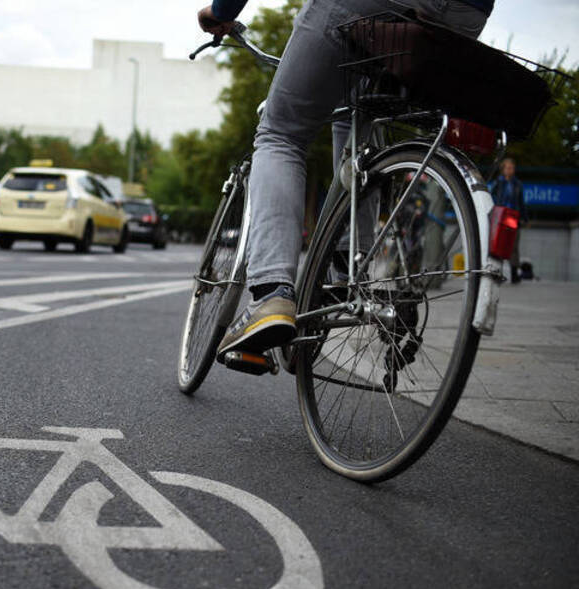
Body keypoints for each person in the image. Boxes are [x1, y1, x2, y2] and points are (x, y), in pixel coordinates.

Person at [197, 0, 493, 358]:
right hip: (465, 13)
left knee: (282, 133)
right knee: (357, 112)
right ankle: (345, 265)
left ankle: (272, 295)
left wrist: (222, 11)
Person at [489, 157, 527, 283]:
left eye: (512, 168)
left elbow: (521, 202)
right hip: (501, 217)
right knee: (498, 245)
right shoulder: (498, 183)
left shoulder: (518, 184)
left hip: (513, 216)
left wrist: (524, 217)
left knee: (513, 245)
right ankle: (497, 273)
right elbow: (492, 197)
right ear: (503, 169)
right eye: (508, 168)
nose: (510, 170)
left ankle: (514, 273)